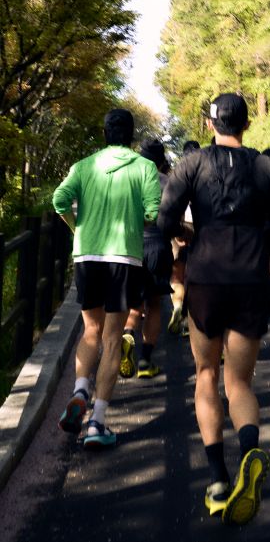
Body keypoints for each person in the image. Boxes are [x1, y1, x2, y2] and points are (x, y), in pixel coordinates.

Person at [157, 93, 270, 525]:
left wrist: (186, 233)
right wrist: (256, 233)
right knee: (239, 382)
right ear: (247, 124)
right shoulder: (266, 166)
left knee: (206, 374)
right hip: (251, 278)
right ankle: (250, 450)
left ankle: (218, 480)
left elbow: (164, 219)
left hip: (205, 279)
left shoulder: (191, 163)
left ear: (209, 124)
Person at [53, 109, 161, 448]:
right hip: (123, 258)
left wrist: (77, 229)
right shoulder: (145, 167)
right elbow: (152, 212)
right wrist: (134, 223)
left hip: (87, 256)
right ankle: (97, 423)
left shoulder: (83, 166)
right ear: (132, 136)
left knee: (91, 331)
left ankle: (79, 391)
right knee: (113, 339)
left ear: (104, 134)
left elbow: (59, 200)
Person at [120, 139, 173, 378]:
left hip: (129, 245)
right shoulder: (168, 183)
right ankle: (145, 361)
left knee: (134, 302)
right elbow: (174, 218)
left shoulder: (127, 180)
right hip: (158, 245)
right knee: (154, 304)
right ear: (161, 162)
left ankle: (128, 333)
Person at [167, 139, 200, 336]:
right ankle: (189, 321)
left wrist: (176, 230)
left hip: (181, 227)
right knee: (197, 276)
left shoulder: (179, 172)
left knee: (177, 275)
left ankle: (178, 305)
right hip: (201, 229)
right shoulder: (205, 169)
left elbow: (173, 205)